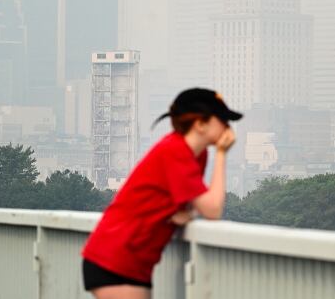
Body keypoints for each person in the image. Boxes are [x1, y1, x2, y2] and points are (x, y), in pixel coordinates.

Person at [81, 88, 242, 299]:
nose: (228, 127)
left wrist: (181, 212)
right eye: (222, 119)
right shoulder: (175, 151)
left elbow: (188, 202)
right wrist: (222, 154)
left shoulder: (196, 155)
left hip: (136, 261)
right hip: (116, 258)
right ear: (200, 124)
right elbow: (212, 209)